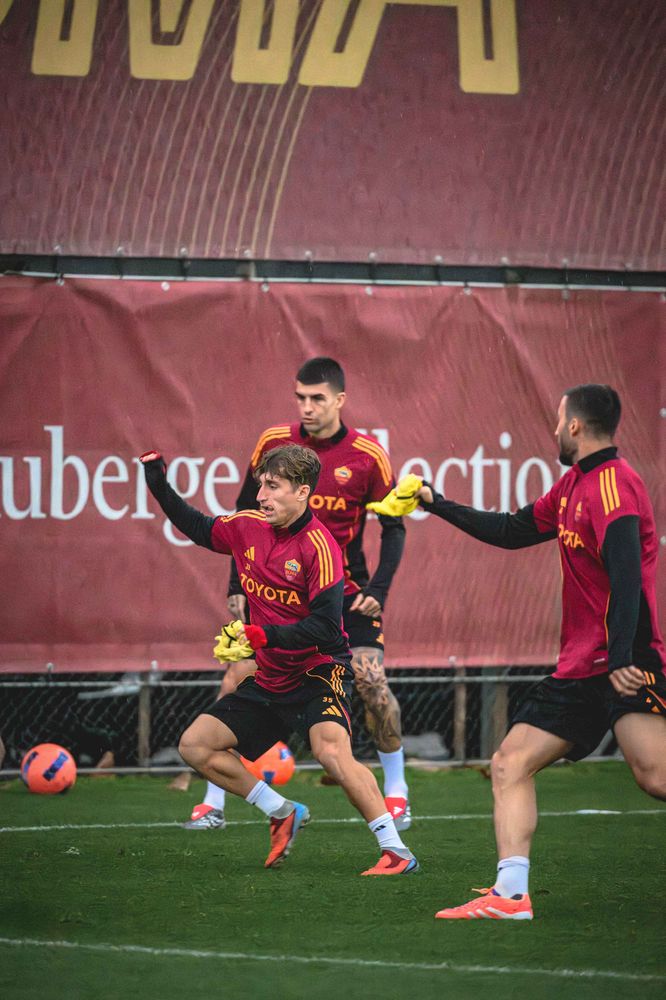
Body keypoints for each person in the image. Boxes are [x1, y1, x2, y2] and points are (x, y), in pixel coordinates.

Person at [369, 383, 666, 917]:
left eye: (558, 420)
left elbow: (626, 578)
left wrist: (624, 656)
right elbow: (510, 531)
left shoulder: (616, 485)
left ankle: (510, 894)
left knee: (656, 777)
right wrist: (437, 503)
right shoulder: (572, 485)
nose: (554, 429)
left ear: (575, 426)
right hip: (582, 667)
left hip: (624, 662)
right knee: (509, 763)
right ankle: (510, 895)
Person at [140, 443, 419, 875]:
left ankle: (395, 850)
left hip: (318, 671)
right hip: (272, 678)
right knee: (195, 745)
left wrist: (260, 634)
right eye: (261, 486)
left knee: (331, 753)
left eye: (273, 487)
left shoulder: (320, 547)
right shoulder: (248, 525)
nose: (262, 496)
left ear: (302, 492)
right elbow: (196, 527)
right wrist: (158, 483)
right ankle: (281, 810)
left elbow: (327, 628)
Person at [183, 357, 411, 833]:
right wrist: (236, 586)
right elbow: (246, 518)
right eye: (300, 398)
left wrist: (379, 590)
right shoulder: (273, 443)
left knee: (372, 685)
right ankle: (214, 802)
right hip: (282, 594)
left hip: (347, 595)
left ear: (340, 401)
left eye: (317, 399)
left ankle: (397, 793)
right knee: (236, 676)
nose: (306, 407)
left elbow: (394, 527)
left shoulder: (368, 455)